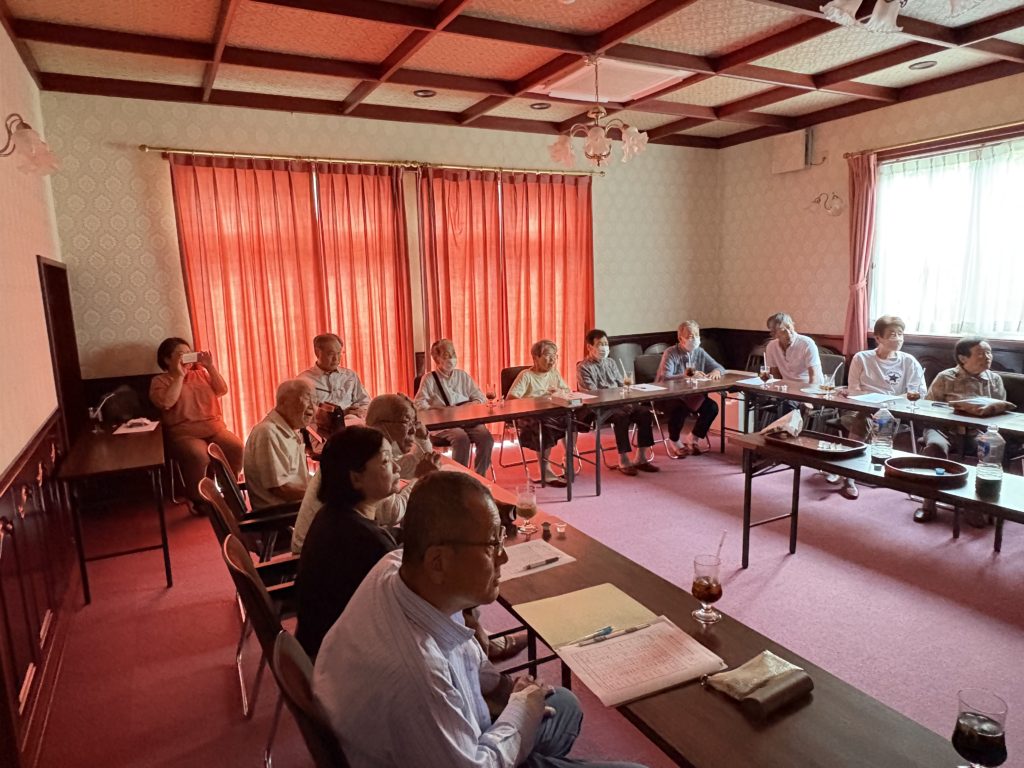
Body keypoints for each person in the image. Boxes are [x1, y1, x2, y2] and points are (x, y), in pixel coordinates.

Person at [313, 471, 648, 768]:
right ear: (438, 562)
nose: (503, 556)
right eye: (491, 544)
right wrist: (520, 711)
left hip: (446, 739)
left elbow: (464, 655)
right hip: (462, 756)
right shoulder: (417, 676)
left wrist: (507, 691)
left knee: (563, 704)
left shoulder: (396, 566)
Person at [295, 426, 401, 659]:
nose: (397, 467)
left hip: (317, 644)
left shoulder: (331, 514)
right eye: (385, 461)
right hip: (344, 658)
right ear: (356, 478)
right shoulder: (368, 542)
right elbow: (407, 613)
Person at [290, 393, 440, 553]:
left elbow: (414, 466)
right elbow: (391, 512)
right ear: (383, 424)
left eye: (414, 423)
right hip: (320, 553)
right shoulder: (364, 451)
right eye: (407, 422)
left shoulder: (370, 446)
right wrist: (420, 480)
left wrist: (423, 439)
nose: (413, 430)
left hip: (336, 540)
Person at [832, 316, 926, 501]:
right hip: (860, 408)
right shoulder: (862, 358)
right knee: (863, 417)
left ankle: (848, 471)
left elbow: (919, 393)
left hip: (893, 412)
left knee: (872, 419)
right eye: (892, 334)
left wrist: (889, 401)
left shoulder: (909, 361)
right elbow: (853, 390)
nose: (898, 338)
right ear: (878, 337)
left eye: (900, 334)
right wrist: (871, 400)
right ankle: (850, 475)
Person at [916, 336, 1006, 527]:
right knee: (935, 448)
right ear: (963, 358)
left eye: (989, 352)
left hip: (978, 432)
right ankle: (928, 504)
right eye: (981, 353)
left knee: (991, 451)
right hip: (943, 429)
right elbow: (927, 408)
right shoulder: (945, 377)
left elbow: (1001, 410)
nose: (988, 357)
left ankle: (976, 506)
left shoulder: (994, 379)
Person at [149, 337, 243, 507]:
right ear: (167, 359)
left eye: (189, 353)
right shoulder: (160, 381)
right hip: (184, 434)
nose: (187, 357)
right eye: (181, 354)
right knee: (198, 455)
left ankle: (230, 489)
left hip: (214, 428)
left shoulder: (201, 374)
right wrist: (179, 376)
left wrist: (210, 367)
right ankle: (199, 499)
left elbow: (222, 390)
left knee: (235, 447)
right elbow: (166, 402)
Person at [576, 329, 659, 475]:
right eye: (600, 344)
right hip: (600, 408)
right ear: (589, 347)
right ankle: (623, 459)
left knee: (645, 413)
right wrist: (619, 403)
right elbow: (594, 394)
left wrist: (627, 398)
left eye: (606, 344)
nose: (604, 347)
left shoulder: (611, 362)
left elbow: (621, 384)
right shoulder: (583, 367)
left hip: (620, 402)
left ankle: (641, 457)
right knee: (621, 416)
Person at [415, 339, 494, 477]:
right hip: (444, 423)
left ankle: (480, 477)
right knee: (461, 438)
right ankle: (459, 478)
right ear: (437, 359)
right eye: (447, 355)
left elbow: (480, 397)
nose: (451, 358)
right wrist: (440, 410)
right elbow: (419, 404)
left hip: (467, 419)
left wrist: (468, 406)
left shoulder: (462, 375)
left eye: (453, 354)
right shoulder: (429, 379)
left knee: (486, 438)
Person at [507, 340, 572, 487]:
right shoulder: (526, 375)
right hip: (531, 416)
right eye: (548, 355)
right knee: (546, 424)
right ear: (535, 357)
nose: (552, 360)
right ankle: (545, 469)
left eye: (555, 355)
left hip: (552, 412)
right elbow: (511, 399)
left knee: (572, 419)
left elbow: (567, 391)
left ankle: (568, 459)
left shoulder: (554, 373)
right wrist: (536, 401)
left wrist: (559, 392)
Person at [243, 378, 316, 511]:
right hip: (281, 513)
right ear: (284, 403)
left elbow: (299, 479)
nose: (312, 407)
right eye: (306, 399)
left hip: (295, 505)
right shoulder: (268, 433)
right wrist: (321, 496)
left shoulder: (290, 429)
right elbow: (280, 489)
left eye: (315, 401)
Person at [655, 321, 724, 457]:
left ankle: (693, 438)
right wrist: (686, 375)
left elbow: (719, 367)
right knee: (679, 409)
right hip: (669, 396)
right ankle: (675, 441)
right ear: (681, 338)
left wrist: (716, 371)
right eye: (690, 336)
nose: (695, 339)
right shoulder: (671, 352)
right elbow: (665, 377)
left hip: (692, 395)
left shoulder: (700, 352)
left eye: (697, 335)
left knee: (712, 408)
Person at [299, 333, 370, 426]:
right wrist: (341, 414)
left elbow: (365, 402)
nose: (336, 359)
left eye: (339, 353)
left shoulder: (350, 376)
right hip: (321, 429)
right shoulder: (304, 381)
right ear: (317, 353)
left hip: (352, 425)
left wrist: (360, 411)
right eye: (331, 354)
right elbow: (302, 414)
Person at [764, 312, 822, 386]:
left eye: (789, 327)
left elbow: (815, 378)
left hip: (808, 387)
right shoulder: (771, 346)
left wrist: (808, 391)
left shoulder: (807, 344)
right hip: (787, 387)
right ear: (774, 334)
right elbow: (775, 376)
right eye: (783, 330)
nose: (788, 333)